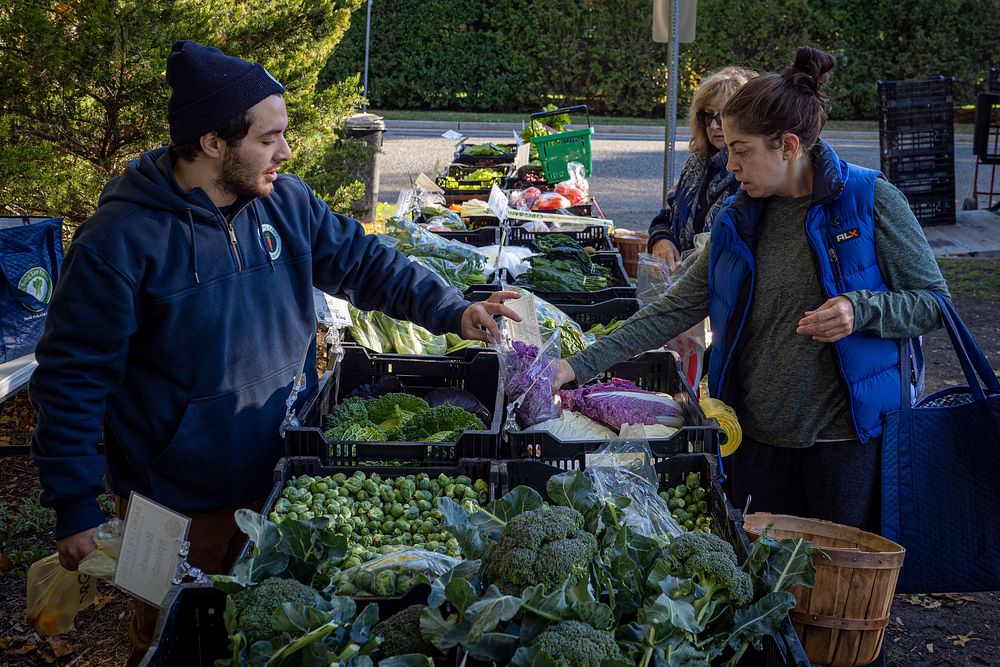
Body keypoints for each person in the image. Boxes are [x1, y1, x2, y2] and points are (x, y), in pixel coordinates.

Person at [28, 40, 518, 664]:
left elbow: (366, 263)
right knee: (177, 644)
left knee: (275, 642)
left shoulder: (283, 202)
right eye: (269, 138)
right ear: (212, 142)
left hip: (288, 475)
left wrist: (453, 309)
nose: (287, 151)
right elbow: (72, 379)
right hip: (180, 506)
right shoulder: (120, 242)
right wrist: (73, 506)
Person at [556, 45, 950, 540]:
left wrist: (861, 308)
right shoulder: (738, 217)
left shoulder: (869, 200)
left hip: (846, 441)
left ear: (787, 145)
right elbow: (675, 307)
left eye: (741, 150)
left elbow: (935, 302)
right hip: (755, 439)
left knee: (834, 585)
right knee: (767, 584)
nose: (730, 162)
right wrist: (573, 367)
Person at [647, 66, 757, 270]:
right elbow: (667, 217)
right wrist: (662, 240)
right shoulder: (695, 165)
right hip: (679, 286)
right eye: (708, 116)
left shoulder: (751, 175)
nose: (715, 126)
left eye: (723, 117)